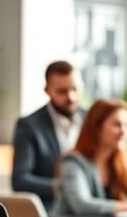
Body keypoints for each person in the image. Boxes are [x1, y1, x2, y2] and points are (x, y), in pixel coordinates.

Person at [12, 61, 84, 207]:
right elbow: (20, 180)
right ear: (47, 90)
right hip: (52, 210)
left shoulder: (92, 120)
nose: (71, 97)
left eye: (75, 89)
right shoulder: (29, 126)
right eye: (62, 91)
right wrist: (65, 187)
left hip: (92, 208)